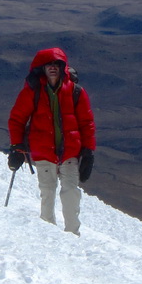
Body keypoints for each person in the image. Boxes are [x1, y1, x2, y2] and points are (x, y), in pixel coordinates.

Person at [7, 47, 96, 235]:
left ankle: (72, 234)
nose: (53, 68)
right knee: (47, 193)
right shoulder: (32, 91)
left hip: (70, 152)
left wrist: (88, 151)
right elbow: (17, 119)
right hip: (43, 151)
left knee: (70, 193)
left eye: (57, 64)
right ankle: (48, 234)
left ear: (63, 67)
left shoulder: (75, 91)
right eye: (49, 64)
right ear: (42, 68)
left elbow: (87, 123)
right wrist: (16, 147)